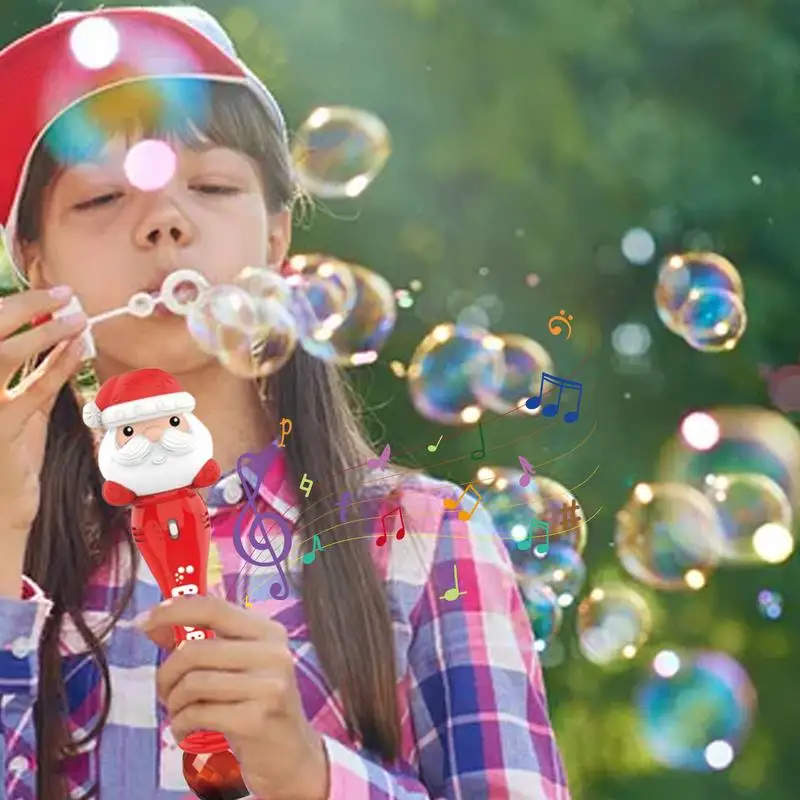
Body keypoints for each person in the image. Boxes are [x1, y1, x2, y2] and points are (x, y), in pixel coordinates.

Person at [0, 6, 571, 800]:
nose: (164, 222)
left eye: (210, 185)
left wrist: (306, 772)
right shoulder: (7, 546)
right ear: (34, 265)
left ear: (274, 242)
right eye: (101, 200)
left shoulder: (428, 542)